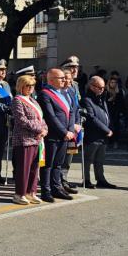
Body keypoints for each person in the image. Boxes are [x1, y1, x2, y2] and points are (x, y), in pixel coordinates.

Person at [37, 68, 76, 202]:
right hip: (53, 135)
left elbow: (71, 112)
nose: (64, 80)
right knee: (48, 165)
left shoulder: (64, 94)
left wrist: (70, 130)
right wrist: (64, 132)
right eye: (61, 78)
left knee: (58, 164)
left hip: (66, 135)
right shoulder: (45, 94)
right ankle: (46, 191)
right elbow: (50, 116)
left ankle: (57, 188)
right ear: (51, 80)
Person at [10, 75, 46, 204]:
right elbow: (21, 120)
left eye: (32, 86)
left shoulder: (33, 100)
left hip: (37, 139)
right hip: (23, 140)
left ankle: (31, 192)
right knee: (23, 169)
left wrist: (44, 130)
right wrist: (39, 129)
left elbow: (41, 118)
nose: (30, 88)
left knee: (34, 168)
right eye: (27, 86)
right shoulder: (17, 100)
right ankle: (19, 194)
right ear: (21, 86)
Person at [82, 76, 117, 189]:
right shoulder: (87, 99)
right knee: (88, 160)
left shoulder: (101, 98)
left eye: (103, 88)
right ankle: (86, 180)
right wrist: (106, 130)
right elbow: (91, 118)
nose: (102, 90)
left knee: (99, 160)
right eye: (99, 88)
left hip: (103, 136)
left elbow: (106, 114)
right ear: (92, 86)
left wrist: (109, 127)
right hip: (93, 135)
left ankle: (100, 179)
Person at [60, 57, 83, 191]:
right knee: (62, 155)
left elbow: (76, 106)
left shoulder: (75, 85)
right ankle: (59, 180)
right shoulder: (61, 86)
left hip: (75, 125)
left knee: (71, 153)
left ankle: (65, 178)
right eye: (71, 67)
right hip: (66, 126)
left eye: (76, 67)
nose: (75, 70)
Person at [105, 76, 126, 148]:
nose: (113, 84)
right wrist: (109, 100)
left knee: (116, 127)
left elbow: (122, 102)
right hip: (108, 111)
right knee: (108, 126)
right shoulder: (106, 91)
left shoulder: (119, 91)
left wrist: (122, 112)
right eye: (111, 82)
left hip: (117, 112)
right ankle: (108, 141)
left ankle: (115, 142)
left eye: (114, 83)